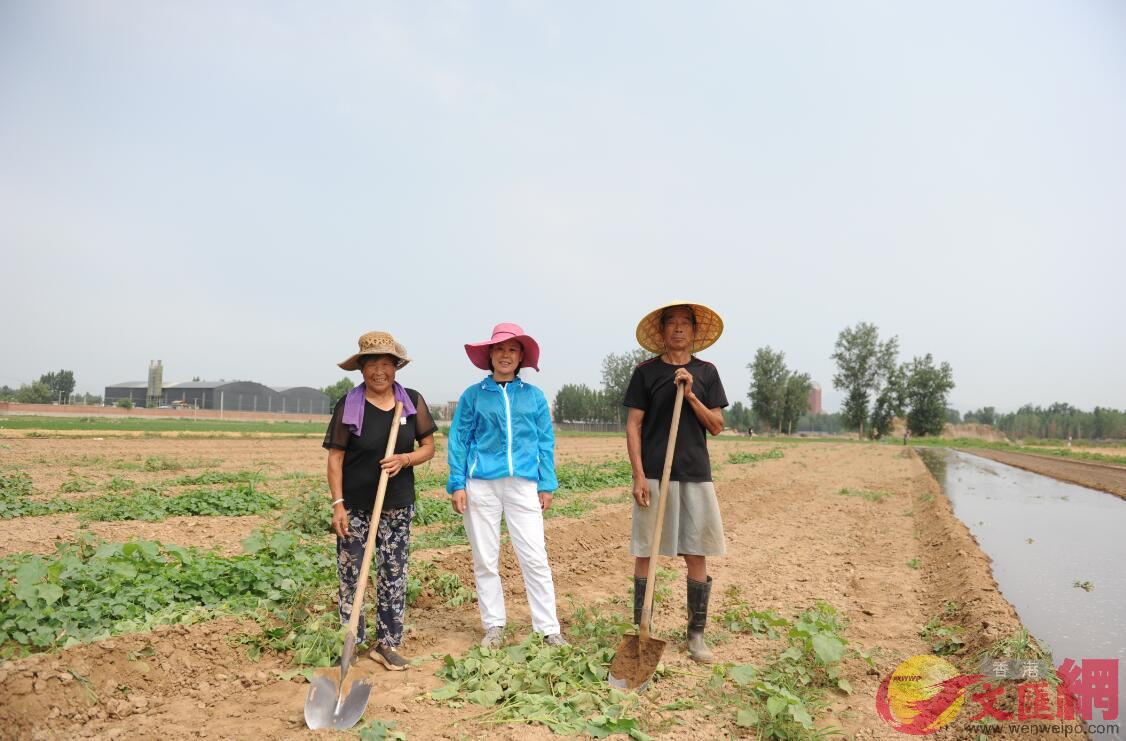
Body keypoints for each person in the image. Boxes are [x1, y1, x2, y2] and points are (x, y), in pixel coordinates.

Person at [446, 323, 567, 649]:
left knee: (534, 556)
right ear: (489, 354)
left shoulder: (534, 397)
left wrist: (547, 482)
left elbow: (545, 442)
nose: (505, 355)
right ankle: (494, 625)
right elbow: (459, 439)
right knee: (485, 558)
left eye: (512, 349)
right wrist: (457, 482)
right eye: (499, 349)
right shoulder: (473, 396)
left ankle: (548, 629)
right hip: (480, 485)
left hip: (523, 485)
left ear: (521, 356)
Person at [323, 331, 437, 670]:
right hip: (356, 506)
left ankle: (386, 643)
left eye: (385, 364)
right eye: (371, 364)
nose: (378, 371)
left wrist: (404, 459)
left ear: (395, 368)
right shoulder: (349, 405)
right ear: (361, 369)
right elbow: (335, 459)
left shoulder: (411, 401)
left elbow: (429, 448)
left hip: (397, 504)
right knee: (352, 575)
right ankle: (351, 643)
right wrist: (338, 504)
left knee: (393, 574)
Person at [623, 302, 728, 663]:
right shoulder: (645, 373)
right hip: (654, 476)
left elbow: (715, 425)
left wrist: (692, 392)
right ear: (663, 332)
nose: (679, 330)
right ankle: (643, 629)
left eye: (686, 324)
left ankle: (696, 636)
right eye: (673, 324)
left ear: (694, 333)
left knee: (696, 552)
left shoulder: (707, 372)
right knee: (645, 553)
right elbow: (633, 425)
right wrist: (638, 474)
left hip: (695, 474)